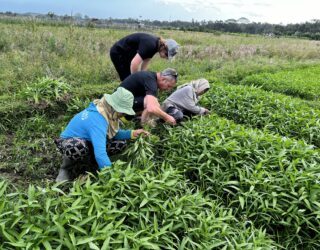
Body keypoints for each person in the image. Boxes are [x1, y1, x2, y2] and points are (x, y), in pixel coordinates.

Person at [54, 87, 149, 182]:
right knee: (76, 146)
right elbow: (100, 153)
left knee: (120, 143)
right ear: (114, 107)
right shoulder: (98, 119)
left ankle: (92, 165)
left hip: (88, 142)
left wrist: (132, 133)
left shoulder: (106, 111)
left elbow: (113, 134)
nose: (123, 115)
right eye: (123, 111)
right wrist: (112, 176)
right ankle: (65, 168)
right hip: (69, 142)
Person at [110, 33, 179, 81]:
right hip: (118, 52)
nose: (166, 58)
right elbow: (134, 64)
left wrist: (143, 77)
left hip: (127, 55)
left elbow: (145, 63)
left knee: (129, 79)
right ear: (164, 47)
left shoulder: (155, 46)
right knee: (127, 79)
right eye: (166, 55)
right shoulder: (151, 45)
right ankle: (119, 97)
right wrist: (135, 80)